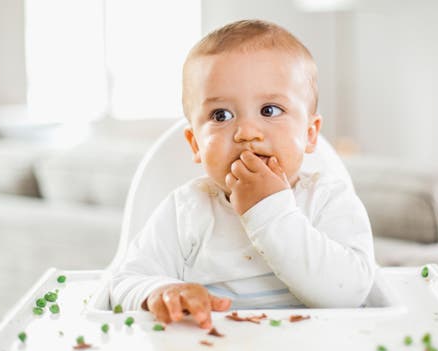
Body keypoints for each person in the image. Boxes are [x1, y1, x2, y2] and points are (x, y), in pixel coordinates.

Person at [111, 19, 376, 329]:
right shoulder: (186, 210)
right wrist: (161, 292)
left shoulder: (328, 200)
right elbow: (125, 282)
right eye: (221, 115)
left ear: (310, 133)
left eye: (270, 110)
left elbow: (351, 293)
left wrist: (270, 211)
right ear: (195, 143)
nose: (247, 133)